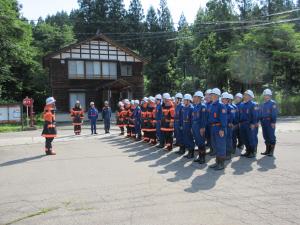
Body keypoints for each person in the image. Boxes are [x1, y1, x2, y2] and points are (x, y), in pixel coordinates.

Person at [208, 88, 227, 170]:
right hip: (213, 127)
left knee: (221, 145)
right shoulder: (212, 104)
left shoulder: (221, 105)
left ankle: (221, 164)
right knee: (215, 145)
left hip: (219, 128)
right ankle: (217, 162)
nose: (210, 96)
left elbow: (223, 118)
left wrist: (222, 129)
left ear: (216, 95)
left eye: (211, 95)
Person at [239, 90, 259, 158]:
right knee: (244, 138)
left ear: (251, 97)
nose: (245, 96)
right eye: (244, 95)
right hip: (242, 124)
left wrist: (253, 123)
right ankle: (248, 151)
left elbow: (255, 115)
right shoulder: (242, 104)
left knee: (251, 138)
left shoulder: (254, 104)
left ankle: (252, 152)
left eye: (247, 95)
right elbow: (240, 114)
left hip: (249, 124)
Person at [260, 89, 278, 156]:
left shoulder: (273, 103)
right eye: (265, 95)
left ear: (270, 96)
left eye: (267, 95)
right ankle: (267, 150)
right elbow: (260, 113)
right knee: (265, 136)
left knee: (271, 136)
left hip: (270, 122)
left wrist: (273, 122)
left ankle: (271, 152)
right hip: (264, 122)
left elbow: (274, 113)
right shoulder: (263, 104)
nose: (265, 96)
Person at [192, 91, 207, 164]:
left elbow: (203, 118)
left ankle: (202, 158)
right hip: (195, 126)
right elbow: (193, 117)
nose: (193, 98)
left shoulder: (203, 106)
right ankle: (199, 156)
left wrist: (202, 128)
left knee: (201, 142)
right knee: (197, 142)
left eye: (194, 97)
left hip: (199, 126)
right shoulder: (195, 106)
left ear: (198, 98)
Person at [179, 94, 195, 158]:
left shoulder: (192, 108)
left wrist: (191, 127)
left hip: (189, 125)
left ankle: (191, 153)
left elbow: (192, 119)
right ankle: (189, 152)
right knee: (186, 139)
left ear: (188, 101)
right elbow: (182, 117)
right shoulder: (184, 108)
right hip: (184, 125)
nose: (184, 101)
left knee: (190, 139)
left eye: (185, 100)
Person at [221, 92, 235, 160]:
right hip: (223, 125)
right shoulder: (221, 106)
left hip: (228, 126)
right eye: (222, 99)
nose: (222, 100)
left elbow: (232, 116)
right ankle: (224, 153)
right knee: (223, 140)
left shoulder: (230, 107)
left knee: (228, 140)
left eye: (223, 99)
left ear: (227, 99)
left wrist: (228, 121)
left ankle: (228, 154)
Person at [204, 89, 213, 155]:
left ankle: (213, 150)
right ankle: (211, 149)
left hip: (212, 125)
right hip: (206, 124)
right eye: (205, 95)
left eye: (207, 95)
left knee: (212, 138)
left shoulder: (213, 104)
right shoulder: (205, 104)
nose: (206, 97)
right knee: (208, 137)